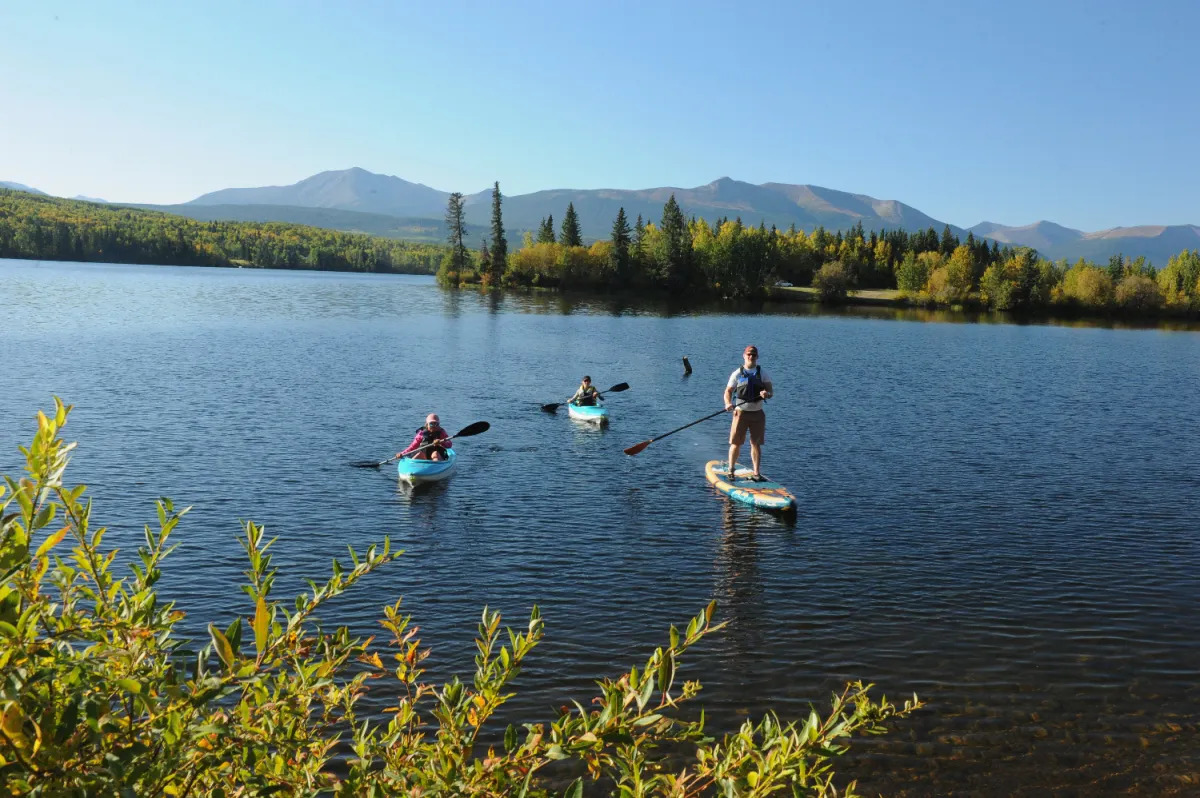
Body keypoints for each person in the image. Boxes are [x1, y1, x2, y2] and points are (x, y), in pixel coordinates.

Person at [723, 345, 773, 480]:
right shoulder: (737, 373)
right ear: (744, 356)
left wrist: (766, 394)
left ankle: (756, 473)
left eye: (754, 355)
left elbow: (770, 392)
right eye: (749, 354)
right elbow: (728, 391)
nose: (751, 357)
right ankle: (731, 470)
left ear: (757, 357)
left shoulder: (763, 373)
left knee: (756, 444)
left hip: (757, 414)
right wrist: (728, 403)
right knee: (736, 443)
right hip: (741, 413)